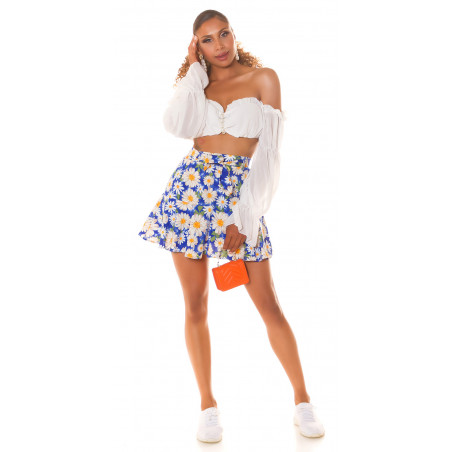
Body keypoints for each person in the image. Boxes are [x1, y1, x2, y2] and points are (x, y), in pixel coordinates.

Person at [138, 9, 325, 443]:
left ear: (234, 34)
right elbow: (176, 126)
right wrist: (192, 72)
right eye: (207, 39)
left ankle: (302, 400)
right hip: (189, 196)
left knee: (269, 304)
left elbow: (270, 154)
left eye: (223, 34)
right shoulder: (198, 86)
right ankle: (207, 406)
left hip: (241, 198)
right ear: (197, 46)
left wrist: (245, 215)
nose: (219, 45)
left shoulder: (264, 79)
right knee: (196, 304)